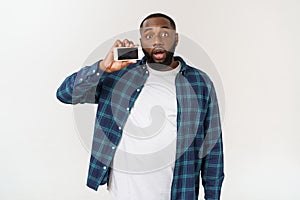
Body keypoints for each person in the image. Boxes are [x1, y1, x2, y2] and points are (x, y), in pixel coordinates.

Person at [56, 13, 224, 200]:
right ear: (141, 42)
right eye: (149, 35)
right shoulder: (120, 75)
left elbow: (212, 147)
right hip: (125, 193)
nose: (157, 41)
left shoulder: (199, 83)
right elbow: (65, 94)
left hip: (178, 191)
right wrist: (103, 67)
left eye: (165, 34)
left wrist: (213, 195)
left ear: (176, 39)